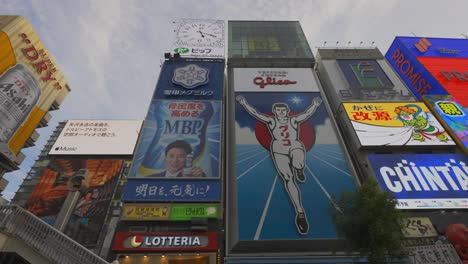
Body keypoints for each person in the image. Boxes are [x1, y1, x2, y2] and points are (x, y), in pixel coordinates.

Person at [236, 95, 322, 235]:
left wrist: (315, 105)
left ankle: (299, 169)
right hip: (278, 149)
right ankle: (300, 213)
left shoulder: (293, 120)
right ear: (275, 112)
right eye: (278, 110)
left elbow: (306, 114)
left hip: (294, 145)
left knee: (298, 161)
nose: (281, 112)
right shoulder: (271, 121)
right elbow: (255, 113)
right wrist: (244, 102)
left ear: (287, 111)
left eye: (283, 110)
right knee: (288, 178)